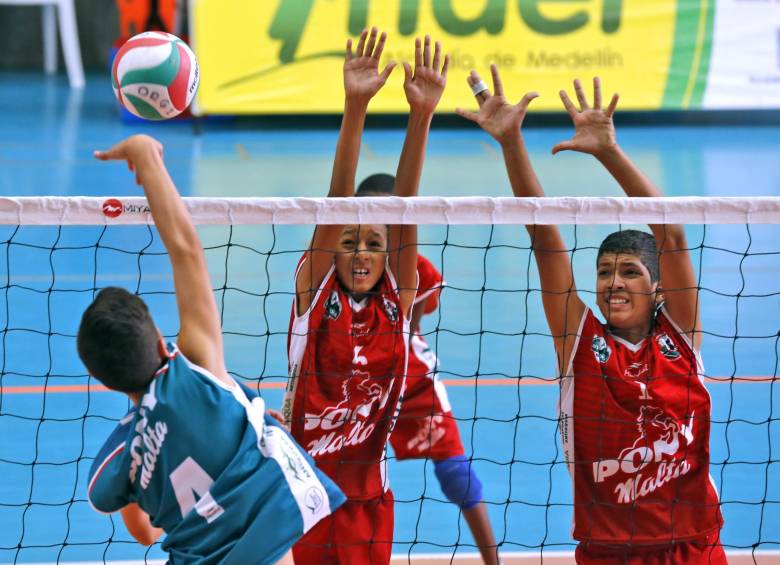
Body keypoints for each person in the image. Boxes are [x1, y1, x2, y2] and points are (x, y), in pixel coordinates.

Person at [457, 69, 725, 564]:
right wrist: (512, 144)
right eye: (604, 272)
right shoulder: (579, 339)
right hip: (609, 551)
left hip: (693, 545)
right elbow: (544, 238)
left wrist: (608, 152)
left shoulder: (680, 337)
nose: (614, 283)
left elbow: (672, 236)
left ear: (658, 285)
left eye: (628, 272)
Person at [81, 134, 345, 565]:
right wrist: (147, 159)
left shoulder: (120, 459)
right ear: (161, 344)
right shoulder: (198, 368)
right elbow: (185, 249)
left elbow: (145, 533)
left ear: (104, 379)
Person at [284, 28, 447, 563]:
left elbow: (405, 210)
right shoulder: (313, 294)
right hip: (305, 493)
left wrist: (419, 116)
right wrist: (355, 106)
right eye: (349, 241)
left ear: (388, 254)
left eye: (373, 244)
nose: (358, 253)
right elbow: (336, 203)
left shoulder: (397, 303)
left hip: (368, 503)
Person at [356, 173, 499, 564]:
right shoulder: (336, 264)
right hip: (349, 377)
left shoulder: (417, 270)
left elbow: (412, 322)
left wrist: (399, 339)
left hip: (407, 376)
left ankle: (493, 561)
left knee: (454, 473)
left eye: (387, 219)